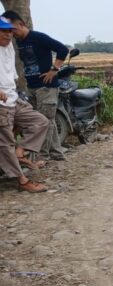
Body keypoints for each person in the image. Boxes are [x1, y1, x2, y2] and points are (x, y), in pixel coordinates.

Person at [1, 10, 68, 161]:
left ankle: (42, 157)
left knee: (45, 120)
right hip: (31, 86)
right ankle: (56, 153)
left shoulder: (38, 37)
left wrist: (54, 70)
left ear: (21, 24)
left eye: (13, 29)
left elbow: (62, 49)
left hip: (46, 86)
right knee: (44, 121)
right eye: (7, 30)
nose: (12, 33)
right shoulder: (17, 42)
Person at [0, 18, 48, 193]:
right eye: (3, 31)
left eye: (10, 31)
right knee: (5, 144)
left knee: (40, 122)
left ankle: (20, 152)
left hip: (13, 99)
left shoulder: (9, 46)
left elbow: (10, 75)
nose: (8, 34)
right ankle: (22, 180)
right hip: (1, 104)